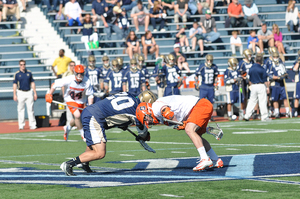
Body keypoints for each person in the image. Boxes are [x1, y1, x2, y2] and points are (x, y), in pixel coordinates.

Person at [60, 91, 157, 176]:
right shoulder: (136, 109)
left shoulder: (129, 94)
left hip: (93, 112)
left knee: (93, 145)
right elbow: (142, 132)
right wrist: (143, 136)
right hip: (95, 116)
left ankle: (84, 163)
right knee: (100, 153)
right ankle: (69, 164)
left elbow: (117, 111)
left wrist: (123, 123)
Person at [136, 96, 224, 171]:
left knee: (190, 130)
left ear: (147, 110)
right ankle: (216, 159)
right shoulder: (157, 114)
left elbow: (168, 113)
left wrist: (179, 124)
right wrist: (181, 125)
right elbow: (177, 121)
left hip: (200, 105)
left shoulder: (155, 107)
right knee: (196, 135)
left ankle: (204, 159)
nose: (148, 121)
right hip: (197, 108)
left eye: (145, 118)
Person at [46, 65, 94, 141]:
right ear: (74, 73)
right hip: (70, 99)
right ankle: (83, 134)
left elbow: (90, 94)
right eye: (78, 73)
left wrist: (90, 105)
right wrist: (49, 94)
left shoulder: (87, 81)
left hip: (81, 101)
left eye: (81, 73)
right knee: (77, 115)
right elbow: (54, 84)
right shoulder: (69, 79)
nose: (79, 75)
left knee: (78, 119)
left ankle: (67, 127)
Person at [244, 54, 271, 121]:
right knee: (262, 101)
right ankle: (264, 116)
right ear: (261, 60)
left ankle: (247, 115)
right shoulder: (262, 69)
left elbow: (248, 78)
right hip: (261, 85)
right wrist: (267, 87)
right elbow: (265, 80)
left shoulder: (251, 68)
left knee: (251, 101)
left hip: (253, 85)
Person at [13, 60, 37, 130]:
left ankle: (32, 124)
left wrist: (35, 93)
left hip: (29, 92)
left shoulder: (29, 73)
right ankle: (21, 125)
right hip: (20, 92)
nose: (22, 66)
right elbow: (14, 84)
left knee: (31, 109)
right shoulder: (17, 74)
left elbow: (32, 83)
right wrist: (14, 94)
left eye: (24, 64)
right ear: (19, 65)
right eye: (21, 64)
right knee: (20, 109)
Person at [268, 48, 290, 118]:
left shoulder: (281, 63)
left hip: (282, 84)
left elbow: (285, 72)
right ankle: (276, 111)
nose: (276, 58)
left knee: (285, 97)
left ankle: (287, 111)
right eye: (274, 57)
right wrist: (277, 77)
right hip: (275, 84)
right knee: (275, 99)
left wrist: (285, 75)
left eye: (277, 57)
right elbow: (269, 75)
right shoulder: (271, 64)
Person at [238, 49, 254, 116]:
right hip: (244, 82)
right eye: (248, 55)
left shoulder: (252, 61)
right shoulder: (242, 62)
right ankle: (244, 111)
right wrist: (245, 78)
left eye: (250, 54)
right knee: (244, 97)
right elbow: (240, 72)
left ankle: (251, 111)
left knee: (252, 97)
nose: (250, 56)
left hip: (251, 81)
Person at [62, 61, 75, 127]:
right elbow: (62, 84)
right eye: (72, 65)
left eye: (74, 65)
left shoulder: (76, 73)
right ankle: (69, 124)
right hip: (68, 94)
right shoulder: (67, 73)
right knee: (69, 110)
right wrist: (63, 93)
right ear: (69, 66)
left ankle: (75, 123)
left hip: (75, 94)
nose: (73, 67)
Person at [292, 51, 300, 117]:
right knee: (297, 97)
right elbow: (294, 69)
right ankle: (296, 112)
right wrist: (298, 62)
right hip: (299, 81)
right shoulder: (297, 62)